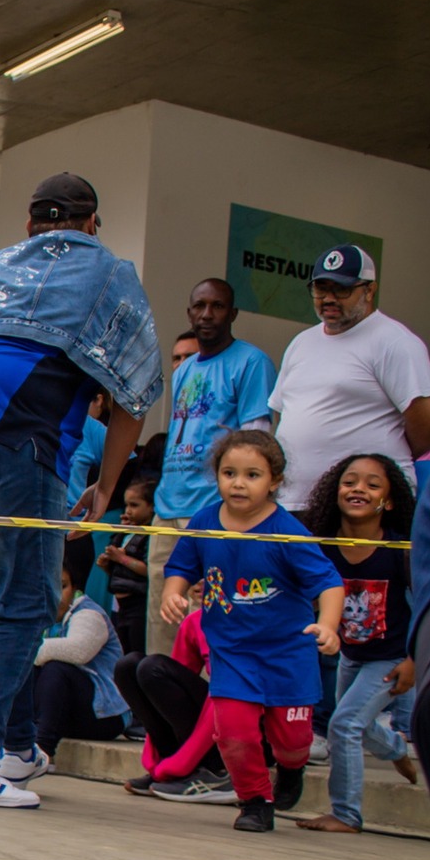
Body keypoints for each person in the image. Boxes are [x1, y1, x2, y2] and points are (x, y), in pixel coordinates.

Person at [0, 172, 160, 808]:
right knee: (29, 600)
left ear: (29, 227)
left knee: (3, 593)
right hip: (5, 438)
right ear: (93, 225)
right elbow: (133, 394)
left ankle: (14, 748)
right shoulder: (108, 270)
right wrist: (105, 488)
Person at [160, 430, 342, 832]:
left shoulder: (289, 531)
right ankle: (256, 801)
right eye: (229, 473)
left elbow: (328, 583)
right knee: (235, 734)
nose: (238, 483)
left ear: (274, 480)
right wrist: (172, 593)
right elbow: (181, 567)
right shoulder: (205, 521)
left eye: (252, 474)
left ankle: (291, 770)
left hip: (288, 654)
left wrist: (328, 625)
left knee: (293, 742)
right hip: (232, 653)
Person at [146, 280, 278, 653]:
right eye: (199, 306)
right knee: (162, 622)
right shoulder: (186, 369)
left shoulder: (251, 361)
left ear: (233, 314)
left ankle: (206, 710)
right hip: (168, 509)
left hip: (212, 513)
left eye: (217, 306)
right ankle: (159, 709)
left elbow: (258, 443)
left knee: (207, 622)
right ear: (189, 313)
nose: (207, 314)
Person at [297, 453, 416, 833]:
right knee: (355, 724)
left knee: (344, 724)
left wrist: (415, 659)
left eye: (372, 484)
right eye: (350, 482)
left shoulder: (401, 550)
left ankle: (346, 814)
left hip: (391, 657)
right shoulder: (325, 547)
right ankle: (396, 748)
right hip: (352, 653)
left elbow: (424, 606)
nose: (358, 489)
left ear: (390, 500)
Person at [270, 246, 430, 511]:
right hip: (293, 503)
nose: (329, 298)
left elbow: (423, 427)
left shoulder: (394, 342)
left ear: (369, 290)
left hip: (361, 511)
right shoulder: (301, 342)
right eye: (321, 289)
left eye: (341, 289)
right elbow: (281, 413)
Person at [116, 609, 233, 803]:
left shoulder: (241, 620)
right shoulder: (194, 621)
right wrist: (157, 762)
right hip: (214, 717)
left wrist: (179, 765)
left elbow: (224, 699)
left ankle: (215, 770)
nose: (200, 582)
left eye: (209, 577)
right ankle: (179, 763)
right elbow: (168, 694)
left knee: (153, 668)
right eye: (196, 577)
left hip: (247, 725)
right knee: (128, 666)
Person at [26, 555, 129, 759]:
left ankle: (42, 751)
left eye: (62, 586)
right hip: (64, 711)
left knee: (55, 667)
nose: (55, 594)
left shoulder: (89, 614)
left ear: (74, 589)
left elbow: (77, 650)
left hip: (105, 716)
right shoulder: (37, 614)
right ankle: (8, 740)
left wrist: (17, 651)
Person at [98, 477, 155, 655]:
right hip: (119, 606)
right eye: (126, 505)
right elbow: (121, 572)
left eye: (135, 505)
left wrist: (121, 558)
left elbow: (149, 569)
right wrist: (108, 564)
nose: (128, 511)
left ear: (152, 506)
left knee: (136, 655)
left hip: (139, 605)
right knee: (122, 656)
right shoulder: (124, 533)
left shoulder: (151, 535)